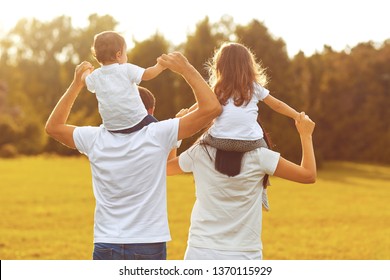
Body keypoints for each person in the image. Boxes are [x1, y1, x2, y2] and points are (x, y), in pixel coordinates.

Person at [45, 52, 222, 260]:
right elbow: (212, 108)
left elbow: (53, 127)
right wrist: (186, 70)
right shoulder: (158, 134)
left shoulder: (94, 138)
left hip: (106, 242)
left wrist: (77, 84)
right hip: (147, 242)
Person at [167, 111, 316, 260]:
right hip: (244, 254)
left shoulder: (200, 152)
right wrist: (306, 135)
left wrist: (177, 131)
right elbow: (308, 175)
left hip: (201, 251)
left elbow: (167, 168)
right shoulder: (261, 156)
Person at [184, 42, 301, 211]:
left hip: (219, 140)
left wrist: (184, 115)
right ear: (248, 66)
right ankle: (262, 189)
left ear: (219, 67)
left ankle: (204, 178)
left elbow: (200, 105)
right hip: (250, 143)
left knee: (200, 144)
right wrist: (296, 115)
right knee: (266, 151)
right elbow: (277, 105)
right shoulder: (254, 88)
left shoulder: (218, 88)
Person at [83, 31, 165, 133]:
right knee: (162, 132)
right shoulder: (126, 69)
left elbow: (85, 81)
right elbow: (147, 74)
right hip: (137, 120)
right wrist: (160, 66)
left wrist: (86, 71)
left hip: (112, 128)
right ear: (119, 55)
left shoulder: (95, 75)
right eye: (125, 53)